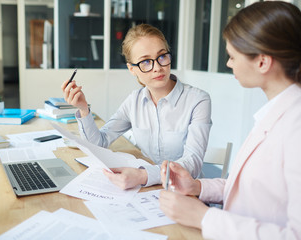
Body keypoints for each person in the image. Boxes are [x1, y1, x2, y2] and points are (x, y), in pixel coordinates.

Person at [159, 1, 301, 239]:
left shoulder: (296, 127)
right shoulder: (274, 112)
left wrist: (203, 217)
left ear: (262, 62)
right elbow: (247, 190)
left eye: (233, 56)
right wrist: (196, 187)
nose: (228, 63)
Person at [62, 24, 212, 190]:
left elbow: (193, 162)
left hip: (184, 190)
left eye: (162, 56)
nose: (157, 67)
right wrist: (83, 109)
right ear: (132, 69)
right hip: (147, 190)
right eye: (146, 62)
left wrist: (143, 175)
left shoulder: (198, 100)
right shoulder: (134, 101)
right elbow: (98, 143)